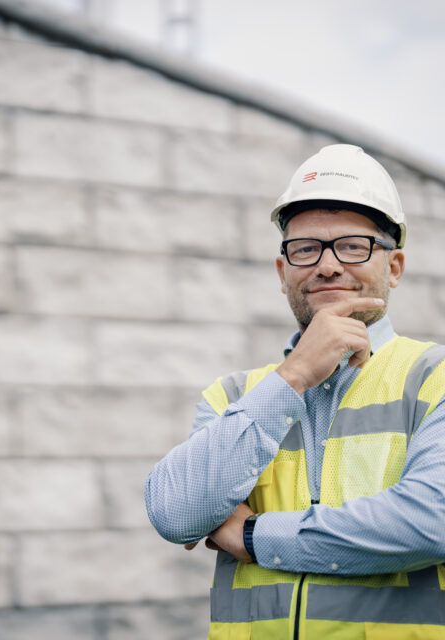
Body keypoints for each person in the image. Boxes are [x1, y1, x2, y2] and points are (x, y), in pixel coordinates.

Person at [145, 144, 445, 640]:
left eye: (353, 246)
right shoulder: (233, 394)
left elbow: (430, 522)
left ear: (393, 266)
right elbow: (175, 513)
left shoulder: (435, 377)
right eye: (305, 249)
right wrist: (293, 377)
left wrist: (251, 535)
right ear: (284, 271)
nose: (326, 266)